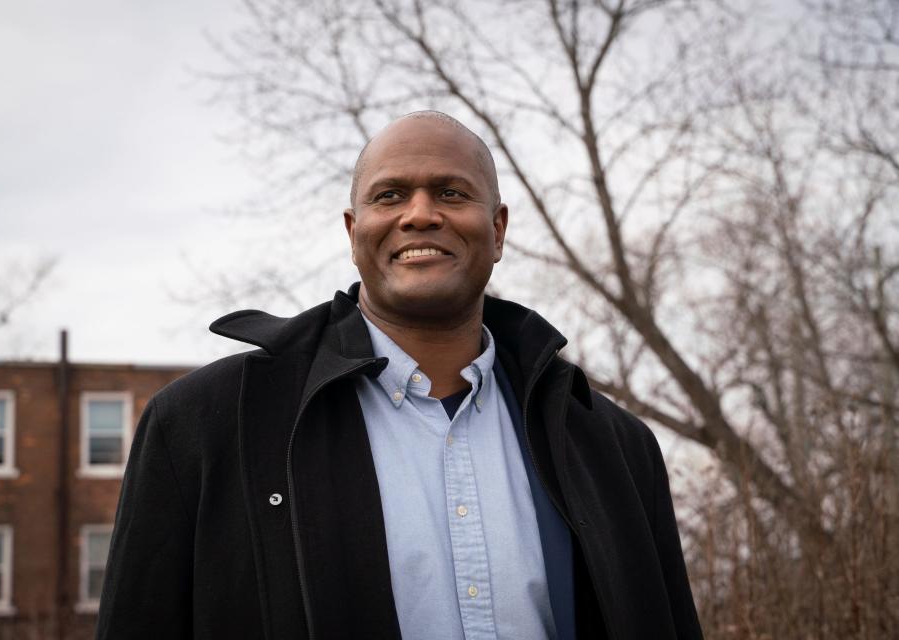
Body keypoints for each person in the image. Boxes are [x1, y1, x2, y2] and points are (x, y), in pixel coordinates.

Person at [96, 111, 703, 639]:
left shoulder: (614, 447)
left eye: (451, 192)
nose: (421, 214)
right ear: (352, 230)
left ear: (497, 231)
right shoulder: (204, 426)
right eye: (390, 196)